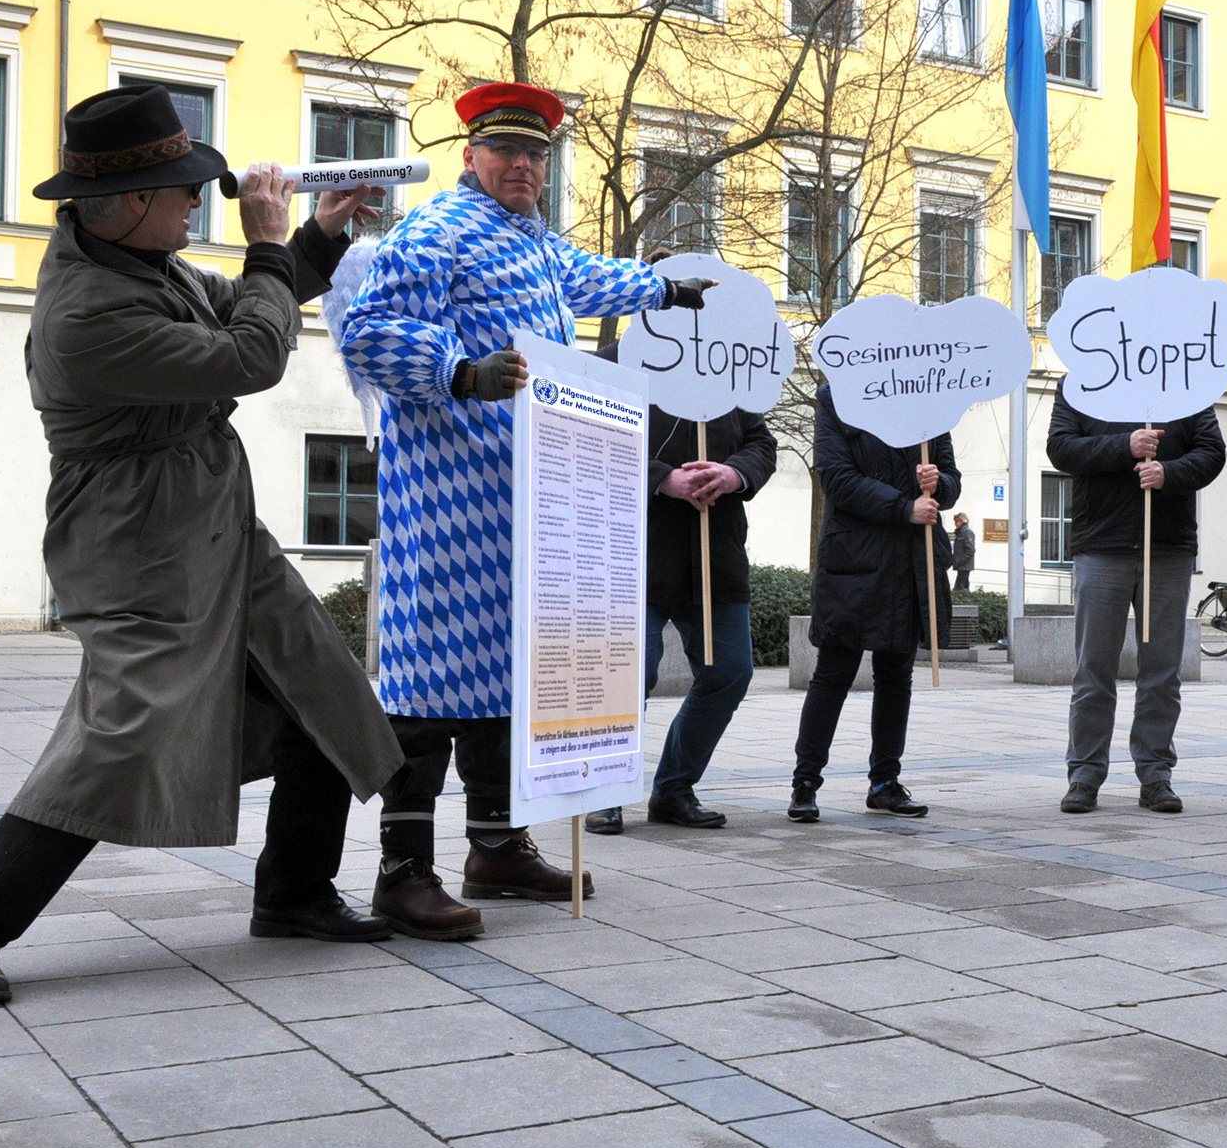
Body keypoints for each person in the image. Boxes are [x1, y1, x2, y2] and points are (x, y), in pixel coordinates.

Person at [0, 86, 403, 1007]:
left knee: (319, 687)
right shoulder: (86, 312)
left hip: (213, 518)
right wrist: (264, 239)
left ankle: (295, 893)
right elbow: (253, 357)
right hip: (131, 539)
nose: (196, 203)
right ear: (127, 202)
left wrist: (319, 235)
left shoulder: (149, 264)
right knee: (122, 731)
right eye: (182, 190)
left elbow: (258, 299)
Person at [340, 82, 704, 939]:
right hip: (446, 503)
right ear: (471, 156)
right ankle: (402, 870)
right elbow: (368, 329)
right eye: (506, 151)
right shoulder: (435, 230)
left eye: (536, 154)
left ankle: (497, 848)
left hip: (529, 501)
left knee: (510, 682)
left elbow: (588, 279)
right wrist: (460, 373)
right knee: (429, 688)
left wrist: (662, 288)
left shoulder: (534, 242)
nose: (524, 166)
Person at [586, 337, 778, 836]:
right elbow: (590, 438)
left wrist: (733, 473)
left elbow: (761, 444)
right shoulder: (611, 364)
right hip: (632, 553)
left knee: (730, 672)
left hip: (715, 554)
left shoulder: (730, 361)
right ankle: (605, 791)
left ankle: (674, 788)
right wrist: (663, 478)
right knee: (629, 676)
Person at [1046, 387, 1226, 813]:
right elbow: (1061, 448)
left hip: (1166, 546)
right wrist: (1123, 446)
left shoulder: (1183, 375)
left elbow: (1212, 452)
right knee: (1093, 669)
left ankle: (1156, 774)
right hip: (1101, 544)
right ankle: (1084, 775)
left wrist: (1169, 473)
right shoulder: (1083, 381)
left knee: (1162, 671)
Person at [789, 382, 959, 822]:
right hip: (855, 560)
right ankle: (805, 782)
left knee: (896, 675)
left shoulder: (928, 399)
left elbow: (952, 480)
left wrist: (938, 483)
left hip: (910, 560)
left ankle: (885, 782)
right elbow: (837, 478)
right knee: (834, 672)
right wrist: (903, 507)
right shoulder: (837, 397)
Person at [951, 513, 977, 592]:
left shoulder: (966, 532)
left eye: (957, 521)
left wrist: (960, 561)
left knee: (959, 588)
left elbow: (971, 550)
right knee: (963, 586)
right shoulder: (961, 533)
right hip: (961, 566)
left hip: (964, 566)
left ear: (963, 521)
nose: (955, 523)